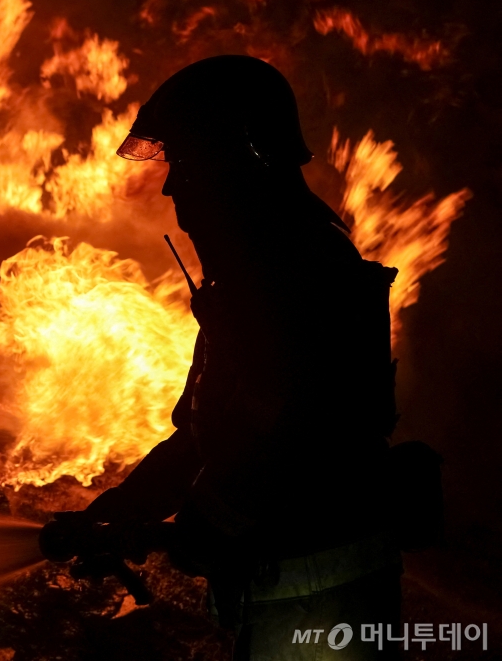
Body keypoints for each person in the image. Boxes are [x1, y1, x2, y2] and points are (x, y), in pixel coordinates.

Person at [78, 55, 403, 659]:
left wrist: (203, 524)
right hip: (288, 587)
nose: (172, 185)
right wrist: (125, 507)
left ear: (245, 156)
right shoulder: (252, 275)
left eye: (187, 161)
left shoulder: (303, 272)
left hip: (320, 594)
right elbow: (215, 433)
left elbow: (304, 435)